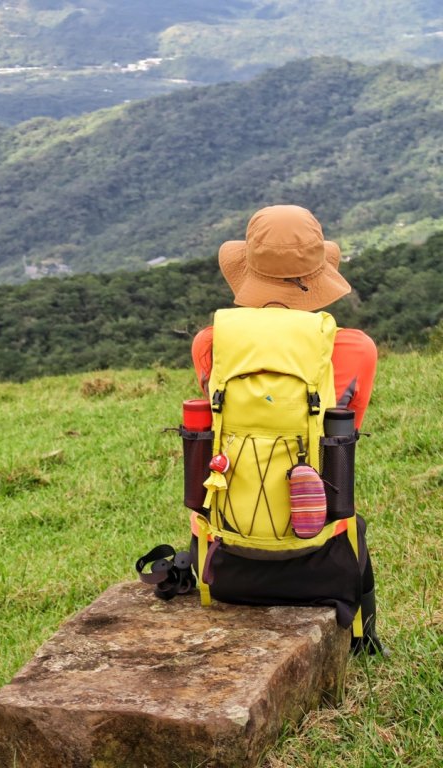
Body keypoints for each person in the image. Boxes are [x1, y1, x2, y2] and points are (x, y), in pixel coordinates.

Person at [191, 204, 385, 655]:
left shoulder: (210, 343)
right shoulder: (357, 348)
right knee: (352, 518)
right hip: (321, 547)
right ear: (318, 273)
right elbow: (341, 440)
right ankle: (365, 639)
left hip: (228, 553)